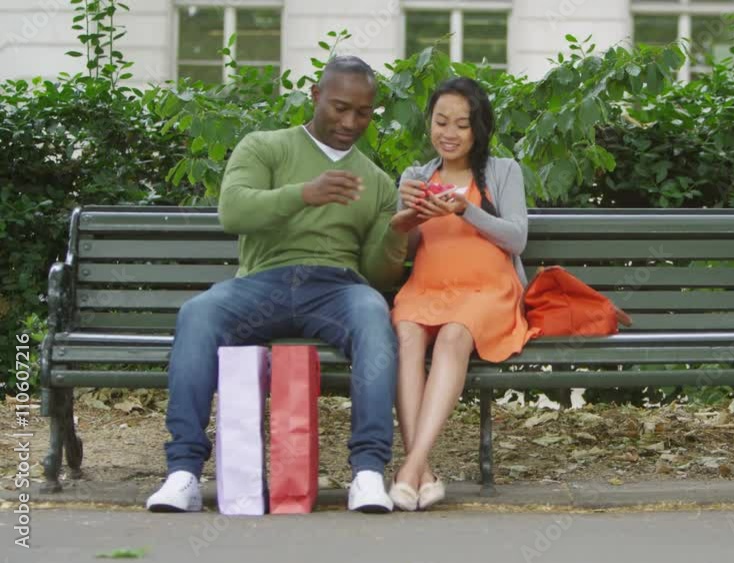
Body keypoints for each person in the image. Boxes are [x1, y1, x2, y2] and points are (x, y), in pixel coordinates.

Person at [145, 56, 416, 514]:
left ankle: (368, 472)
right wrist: (303, 194)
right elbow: (234, 211)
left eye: (363, 113)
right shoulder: (264, 147)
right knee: (198, 314)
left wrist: (396, 233)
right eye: (340, 108)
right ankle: (183, 473)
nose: (350, 122)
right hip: (261, 283)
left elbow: (376, 275)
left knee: (374, 314)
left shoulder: (376, 181)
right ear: (316, 96)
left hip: (336, 289)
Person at [388, 77, 538, 511]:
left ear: (478, 129)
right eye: (441, 122)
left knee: (454, 334)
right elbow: (406, 252)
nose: (449, 133)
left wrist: (465, 209)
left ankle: (410, 468)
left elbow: (517, 239)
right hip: (428, 287)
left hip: (487, 289)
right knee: (407, 334)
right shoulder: (416, 176)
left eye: (461, 124)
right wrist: (406, 219)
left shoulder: (503, 171)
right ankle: (424, 472)